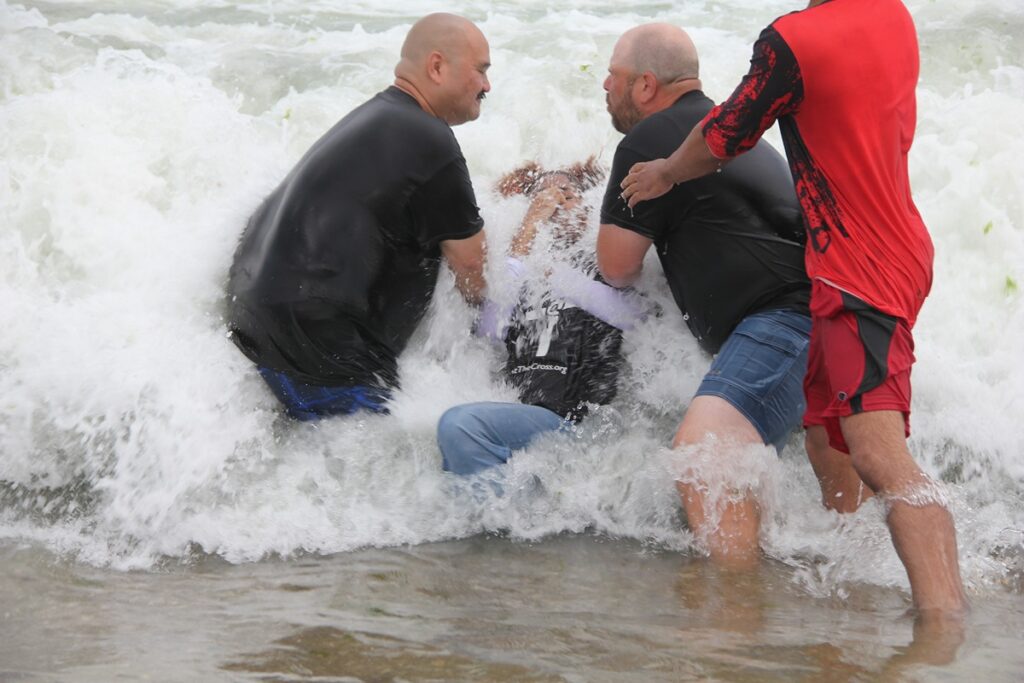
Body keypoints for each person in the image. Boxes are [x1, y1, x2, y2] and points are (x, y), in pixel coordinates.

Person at [619, 2, 967, 614]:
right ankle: (853, 595)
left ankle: (943, 628)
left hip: (858, 267)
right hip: (891, 248)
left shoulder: (794, 40)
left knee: (879, 455)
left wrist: (666, 173)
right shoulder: (893, 15)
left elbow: (727, 132)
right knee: (826, 442)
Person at [596, 24, 814, 568]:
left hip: (784, 319)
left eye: (613, 75)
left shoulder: (647, 142)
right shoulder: (738, 135)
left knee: (705, 454)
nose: (604, 84)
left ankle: (732, 617)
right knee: (835, 498)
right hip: (832, 314)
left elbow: (617, 267)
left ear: (646, 85)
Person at [226, 13, 490, 420]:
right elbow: (472, 269)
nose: (487, 85)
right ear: (437, 66)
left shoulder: (370, 118)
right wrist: (492, 334)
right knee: (404, 462)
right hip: (320, 352)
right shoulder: (432, 140)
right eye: (481, 70)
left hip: (255, 328)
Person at [438, 160, 643, 476]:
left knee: (459, 426)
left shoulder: (607, 264)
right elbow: (490, 331)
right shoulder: (519, 280)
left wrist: (546, 267)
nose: (556, 203)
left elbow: (633, 318)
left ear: (590, 206)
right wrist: (526, 234)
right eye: (543, 197)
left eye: (567, 194)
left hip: (578, 425)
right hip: (525, 423)